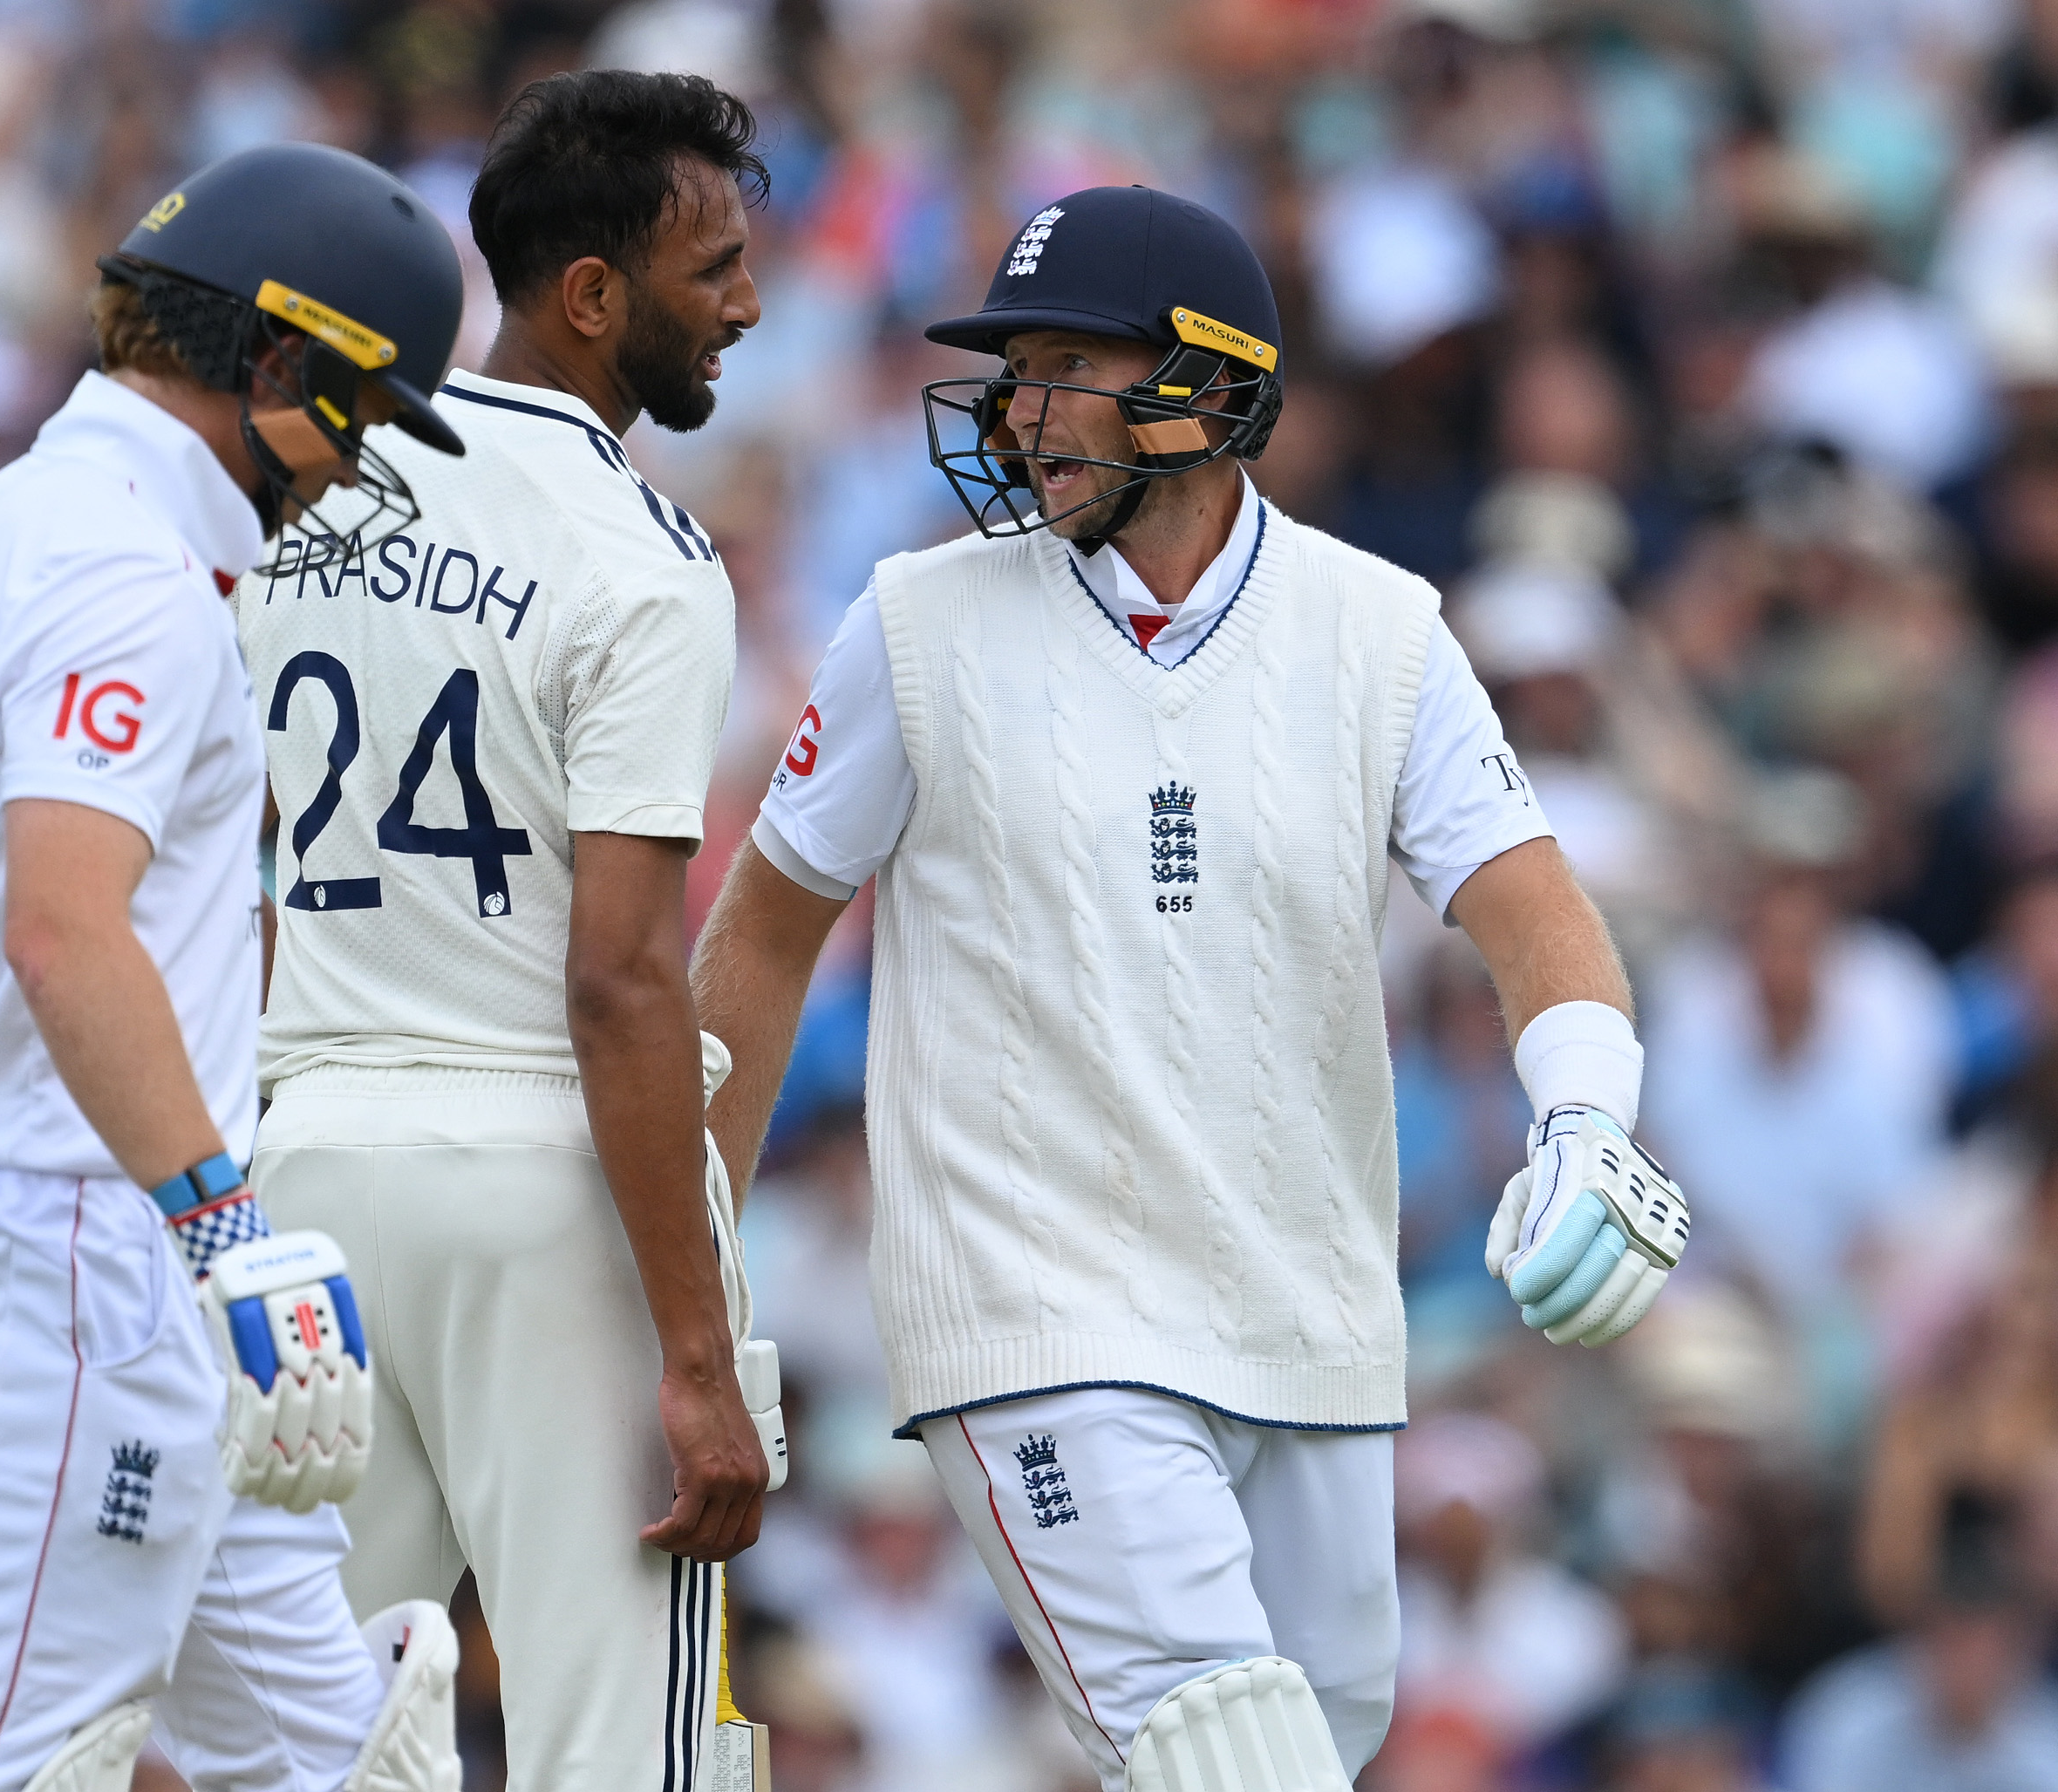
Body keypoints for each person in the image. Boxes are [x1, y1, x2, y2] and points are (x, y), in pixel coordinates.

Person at [690, 185, 1693, 1792]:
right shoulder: (914, 623)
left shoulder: (1384, 631)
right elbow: (758, 933)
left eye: (1069, 365)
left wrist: (1588, 1117)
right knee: (1230, 1753)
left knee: (1314, 1746)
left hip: (1310, 1323)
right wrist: (699, 1282)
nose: (1022, 411)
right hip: (1033, 1318)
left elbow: (1531, 907)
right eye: (1016, 370)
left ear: (1213, 389)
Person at [0, 143, 473, 1791]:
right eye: (351, 411)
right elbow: (63, 927)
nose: (345, 471)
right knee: (3, 1774)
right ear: (270, 359)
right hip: (74, 1257)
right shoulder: (124, 568)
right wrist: (220, 1217)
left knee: (349, 1767)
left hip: (58, 1245)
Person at [234, 71, 776, 1788]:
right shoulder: (645, 557)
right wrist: (697, 1355)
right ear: (593, 294)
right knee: (622, 1748)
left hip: (304, 1161)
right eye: (717, 269)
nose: (748, 304)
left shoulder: (311, 493)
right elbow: (620, 976)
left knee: (311, 1745)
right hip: (537, 1175)